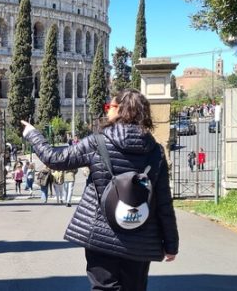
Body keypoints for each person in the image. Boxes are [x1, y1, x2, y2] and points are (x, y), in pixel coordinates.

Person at [22, 88, 179, 291]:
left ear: (121, 110)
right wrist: (171, 244)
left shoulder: (98, 142)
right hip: (140, 235)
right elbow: (164, 201)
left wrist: (33, 134)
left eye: (110, 107)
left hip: (100, 233)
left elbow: (55, 159)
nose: (107, 111)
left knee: (104, 287)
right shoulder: (156, 151)